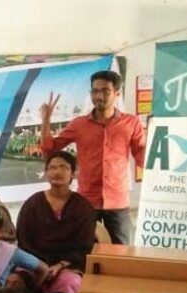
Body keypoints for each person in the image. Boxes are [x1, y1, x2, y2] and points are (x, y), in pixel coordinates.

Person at [40, 70, 145, 245]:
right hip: (87, 201)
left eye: (105, 91)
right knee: (84, 251)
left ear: (117, 93)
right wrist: (46, 120)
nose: (99, 96)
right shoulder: (79, 124)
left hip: (118, 201)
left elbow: (142, 158)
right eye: (95, 91)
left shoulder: (131, 123)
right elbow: (48, 150)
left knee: (122, 254)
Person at [16, 150, 97, 293]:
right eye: (52, 168)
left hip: (68, 265)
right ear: (46, 173)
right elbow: (24, 241)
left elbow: (84, 245)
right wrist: (41, 266)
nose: (57, 172)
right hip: (35, 264)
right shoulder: (32, 204)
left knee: (69, 283)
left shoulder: (83, 207)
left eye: (64, 167)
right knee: (17, 284)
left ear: (73, 173)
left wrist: (59, 266)